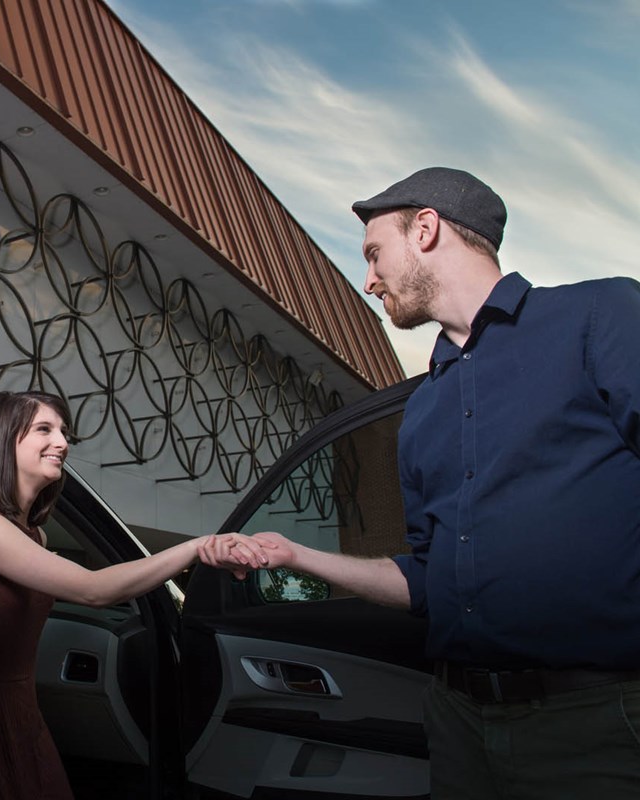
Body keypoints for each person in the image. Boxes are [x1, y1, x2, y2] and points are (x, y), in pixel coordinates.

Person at [203, 166, 640, 799]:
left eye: (375, 254)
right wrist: (297, 556)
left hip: (601, 723)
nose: (369, 279)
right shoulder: (422, 413)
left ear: (427, 229)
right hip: (458, 723)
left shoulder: (599, 316)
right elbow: (427, 581)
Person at [0, 390, 271, 800]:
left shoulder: (35, 535)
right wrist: (196, 547)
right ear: (5, 440)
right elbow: (93, 590)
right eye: (44, 429)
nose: (62, 442)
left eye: (63, 431)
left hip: (23, 704)